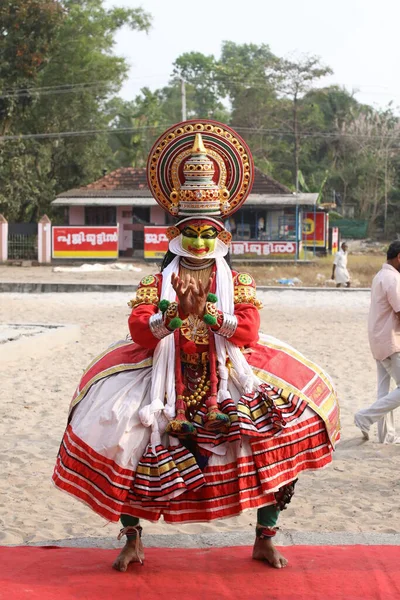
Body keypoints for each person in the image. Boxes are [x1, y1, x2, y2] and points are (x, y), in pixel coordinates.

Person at [53, 120, 340, 572]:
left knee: (281, 440)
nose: (202, 241)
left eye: (210, 233)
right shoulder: (155, 281)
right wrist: (170, 317)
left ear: (221, 237)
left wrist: (209, 316)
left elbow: (247, 333)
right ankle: (132, 540)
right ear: (177, 234)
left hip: (228, 371)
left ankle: (265, 536)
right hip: (162, 378)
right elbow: (138, 333)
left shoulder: (238, 280)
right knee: (122, 443)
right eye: (194, 232)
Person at [354, 240, 400, 443]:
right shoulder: (393, 279)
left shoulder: (380, 276)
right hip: (391, 342)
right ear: (399, 257)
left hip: (378, 339)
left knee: (384, 390)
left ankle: (386, 436)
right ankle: (364, 416)